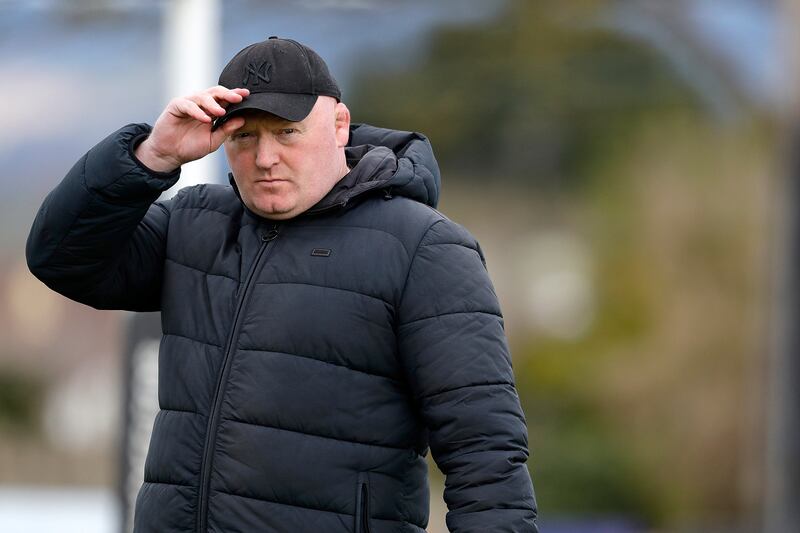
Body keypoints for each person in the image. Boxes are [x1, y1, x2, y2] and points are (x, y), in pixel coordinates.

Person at [26, 37, 538, 533]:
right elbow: (60, 257)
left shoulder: (424, 248)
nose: (264, 157)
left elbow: (485, 451)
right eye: (244, 136)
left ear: (339, 125)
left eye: (287, 132)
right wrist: (152, 155)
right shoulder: (192, 225)